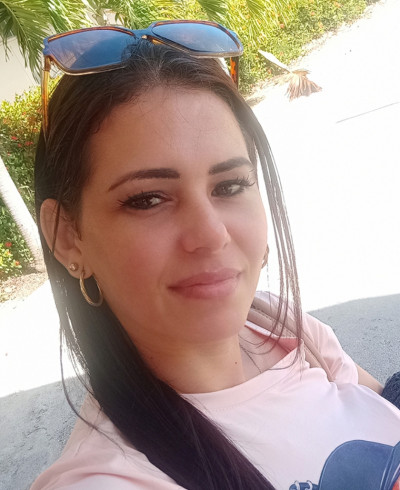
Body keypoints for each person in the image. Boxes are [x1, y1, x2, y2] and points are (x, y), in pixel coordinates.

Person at [31, 21, 400, 490]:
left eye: (229, 186)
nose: (211, 234)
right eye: (147, 199)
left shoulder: (278, 327)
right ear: (68, 237)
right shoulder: (107, 478)